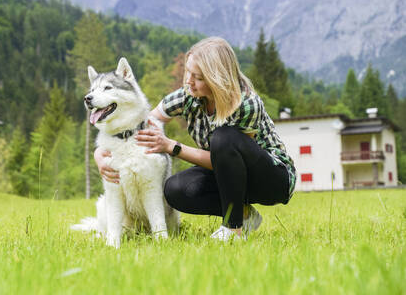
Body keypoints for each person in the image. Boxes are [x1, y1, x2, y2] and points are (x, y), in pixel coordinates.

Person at [94, 36, 296, 241]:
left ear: (217, 79)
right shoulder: (188, 95)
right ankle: (245, 215)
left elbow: (232, 159)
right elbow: (144, 122)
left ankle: (233, 229)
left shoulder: (246, 103)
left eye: (198, 77)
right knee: (175, 190)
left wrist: (172, 147)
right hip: (226, 175)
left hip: (271, 178)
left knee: (223, 137)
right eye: (188, 72)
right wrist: (101, 154)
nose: (189, 80)